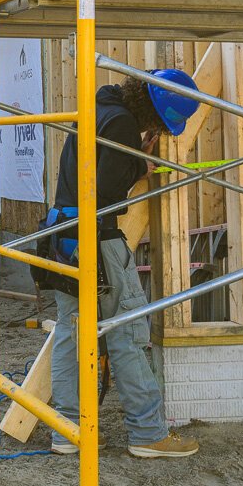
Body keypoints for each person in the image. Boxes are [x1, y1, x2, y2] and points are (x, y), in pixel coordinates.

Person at [39, 70, 202, 459]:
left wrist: (132, 156)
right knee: (127, 331)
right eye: (162, 124)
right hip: (96, 237)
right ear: (155, 114)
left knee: (72, 331)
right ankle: (147, 433)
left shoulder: (99, 109)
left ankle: (69, 429)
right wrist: (139, 166)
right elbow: (108, 190)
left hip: (65, 234)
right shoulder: (123, 123)